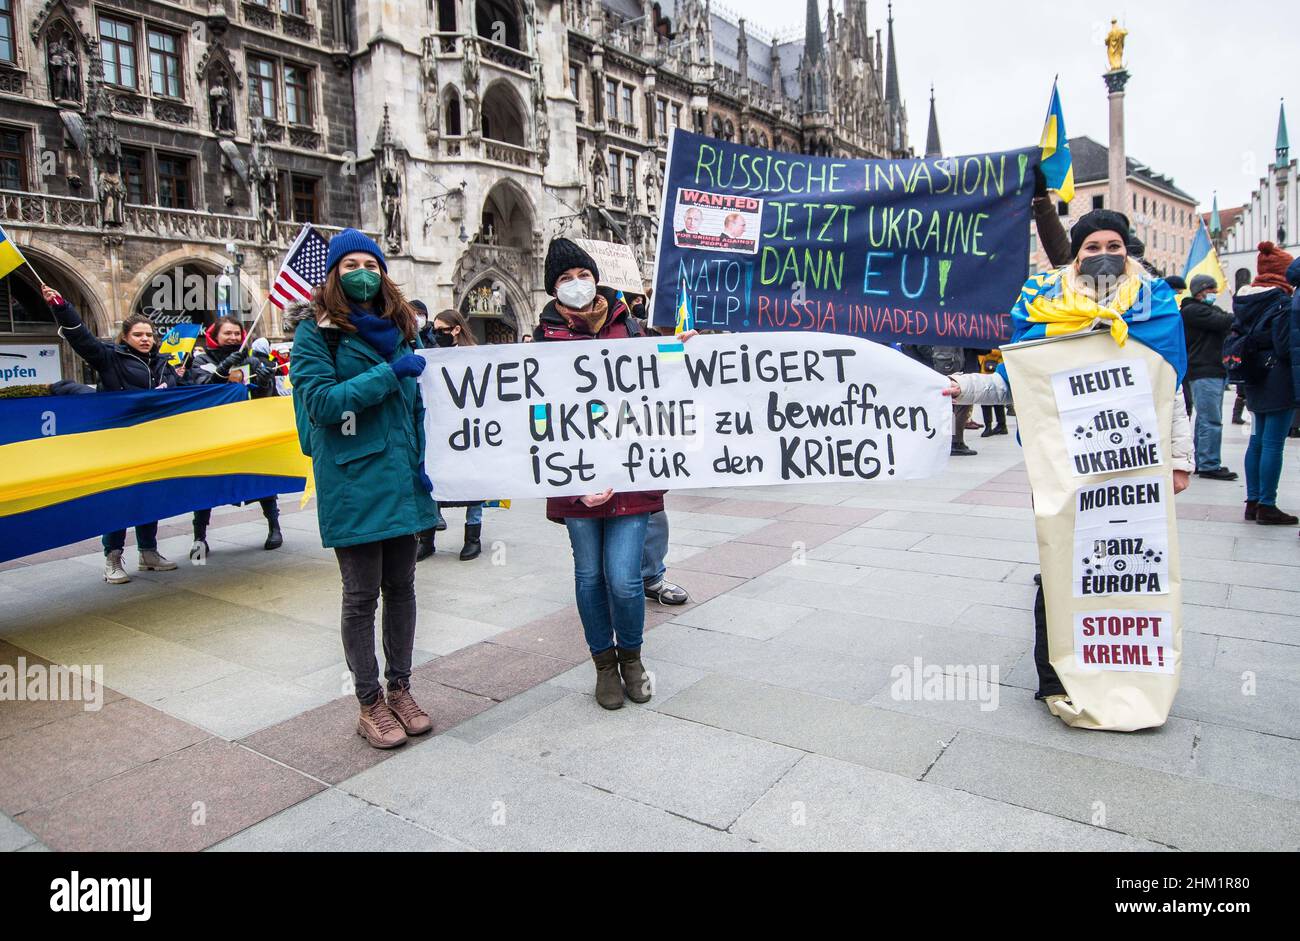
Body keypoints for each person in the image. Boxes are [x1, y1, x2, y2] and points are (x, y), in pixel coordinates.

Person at [944, 209, 1193, 707]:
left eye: (1114, 246)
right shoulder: (1043, 304)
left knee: (1125, 566)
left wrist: (1180, 457)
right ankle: (1057, 676)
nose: (1104, 254)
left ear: (1128, 251)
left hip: (1132, 464)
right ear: (1077, 254)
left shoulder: (1156, 304)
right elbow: (1017, 380)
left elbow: (1170, 387)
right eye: (1093, 246)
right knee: (1060, 562)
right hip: (1062, 463)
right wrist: (962, 387)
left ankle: (1130, 669)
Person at [289, 228, 439, 749]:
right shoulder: (316, 333)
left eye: (371, 265)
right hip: (353, 479)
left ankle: (401, 688)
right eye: (350, 264)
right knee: (361, 596)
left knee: (403, 588)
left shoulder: (402, 326)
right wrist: (387, 374)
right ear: (334, 273)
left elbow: (420, 404)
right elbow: (323, 404)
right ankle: (369, 701)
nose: (363, 273)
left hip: (402, 476)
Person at [533, 237, 676, 709]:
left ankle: (632, 659)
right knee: (590, 576)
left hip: (631, 478)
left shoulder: (632, 330)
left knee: (624, 578)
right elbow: (537, 417)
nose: (576, 284)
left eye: (582, 275)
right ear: (553, 290)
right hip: (575, 481)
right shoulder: (540, 341)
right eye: (564, 279)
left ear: (597, 279)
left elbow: (663, 389)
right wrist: (578, 476)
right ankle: (604, 667)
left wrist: (685, 351)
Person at [42, 283, 181, 584]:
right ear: (125, 337)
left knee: (148, 498)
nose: (145, 339)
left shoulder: (164, 365)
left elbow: (185, 393)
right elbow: (82, 339)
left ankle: (148, 552)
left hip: (152, 442)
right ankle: (113, 557)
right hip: (118, 441)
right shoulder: (110, 358)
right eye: (138, 335)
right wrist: (61, 306)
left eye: (149, 335)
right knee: (119, 500)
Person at [183, 317, 284, 556]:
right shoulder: (201, 360)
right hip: (213, 433)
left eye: (237, 333)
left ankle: (274, 526)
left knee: (262, 479)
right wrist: (221, 370)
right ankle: (200, 538)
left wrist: (263, 382)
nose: (233, 338)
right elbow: (201, 390)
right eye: (228, 333)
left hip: (247, 430)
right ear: (214, 335)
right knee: (205, 486)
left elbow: (263, 398)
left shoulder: (252, 359)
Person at [1232, 242, 1298, 525]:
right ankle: (1267, 505)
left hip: (1254, 378)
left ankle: (1253, 500)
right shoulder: (1281, 301)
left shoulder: (1247, 301)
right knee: (1273, 444)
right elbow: (1284, 346)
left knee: (1257, 440)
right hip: (1278, 379)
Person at [416, 308, 486, 562]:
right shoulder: (433, 356)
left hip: (471, 427)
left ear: (456, 329)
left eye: (441, 330)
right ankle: (427, 538)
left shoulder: (477, 356)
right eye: (433, 330)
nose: (436, 334)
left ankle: (473, 538)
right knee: (432, 477)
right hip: (441, 428)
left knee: (474, 481)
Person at [1180, 274, 1238, 481]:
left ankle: (1203, 460)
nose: (1214, 294)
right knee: (1211, 420)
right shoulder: (1193, 311)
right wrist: (1242, 309)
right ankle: (1209, 463)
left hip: (1212, 369)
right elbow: (1225, 321)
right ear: (1200, 291)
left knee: (1206, 419)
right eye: (1211, 290)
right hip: (1204, 370)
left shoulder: (1204, 310)